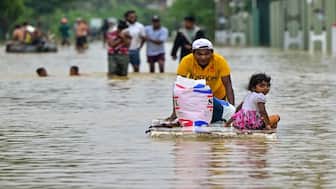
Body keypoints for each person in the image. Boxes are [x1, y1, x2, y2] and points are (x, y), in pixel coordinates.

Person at [168, 38, 235, 122]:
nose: (203, 57)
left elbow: (228, 85)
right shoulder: (186, 61)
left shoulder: (220, 61)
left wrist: (233, 111)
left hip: (218, 97)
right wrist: (175, 112)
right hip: (197, 97)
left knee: (216, 118)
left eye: (207, 54)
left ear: (212, 53)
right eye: (199, 54)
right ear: (193, 53)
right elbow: (178, 88)